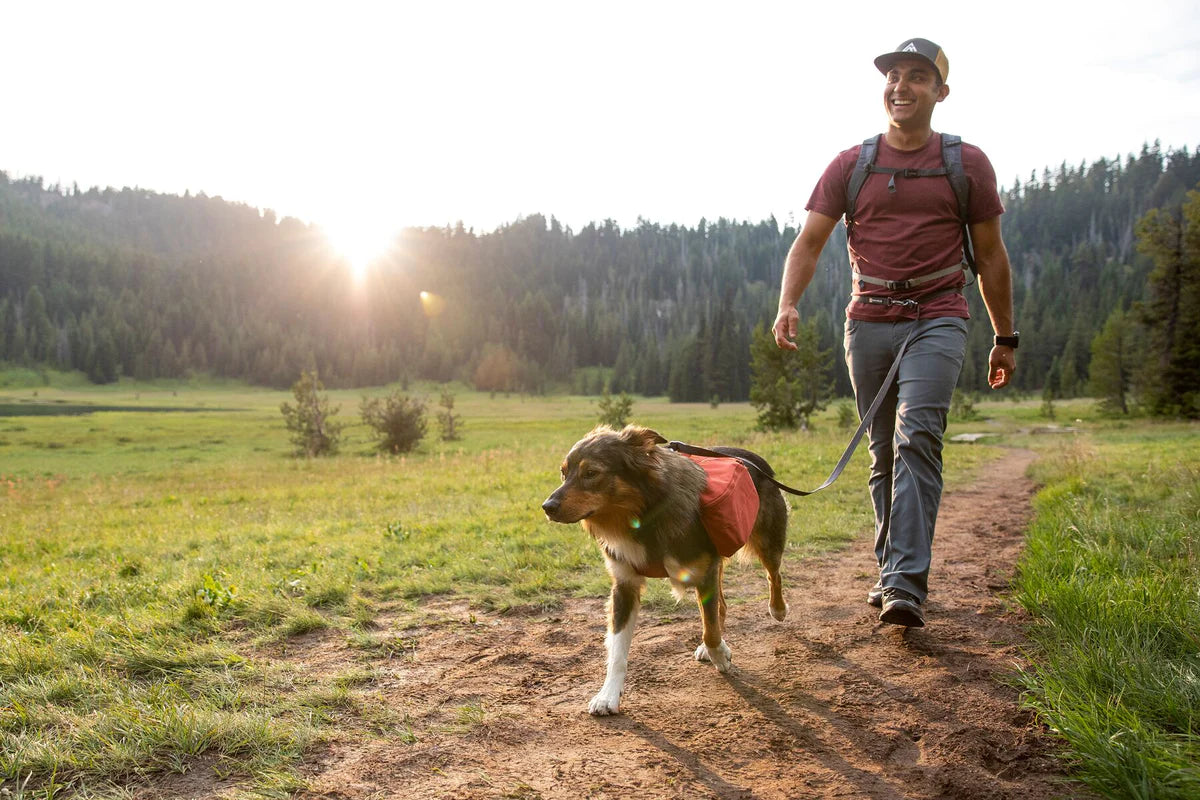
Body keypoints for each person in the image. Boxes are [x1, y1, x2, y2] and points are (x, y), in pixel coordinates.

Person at [772, 38, 1017, 628]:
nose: (901, 86)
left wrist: (1004, 336)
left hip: (939, 315)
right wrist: (788, 302)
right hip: (870, 322)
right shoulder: (851, 164)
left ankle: (906, 583)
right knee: (881, 451)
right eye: (894, 76)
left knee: (917, 437)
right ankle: (890, 568)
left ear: (941, 91)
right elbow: (809, 241)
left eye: (917, 77)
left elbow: (990, 255)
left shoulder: (966, 164)